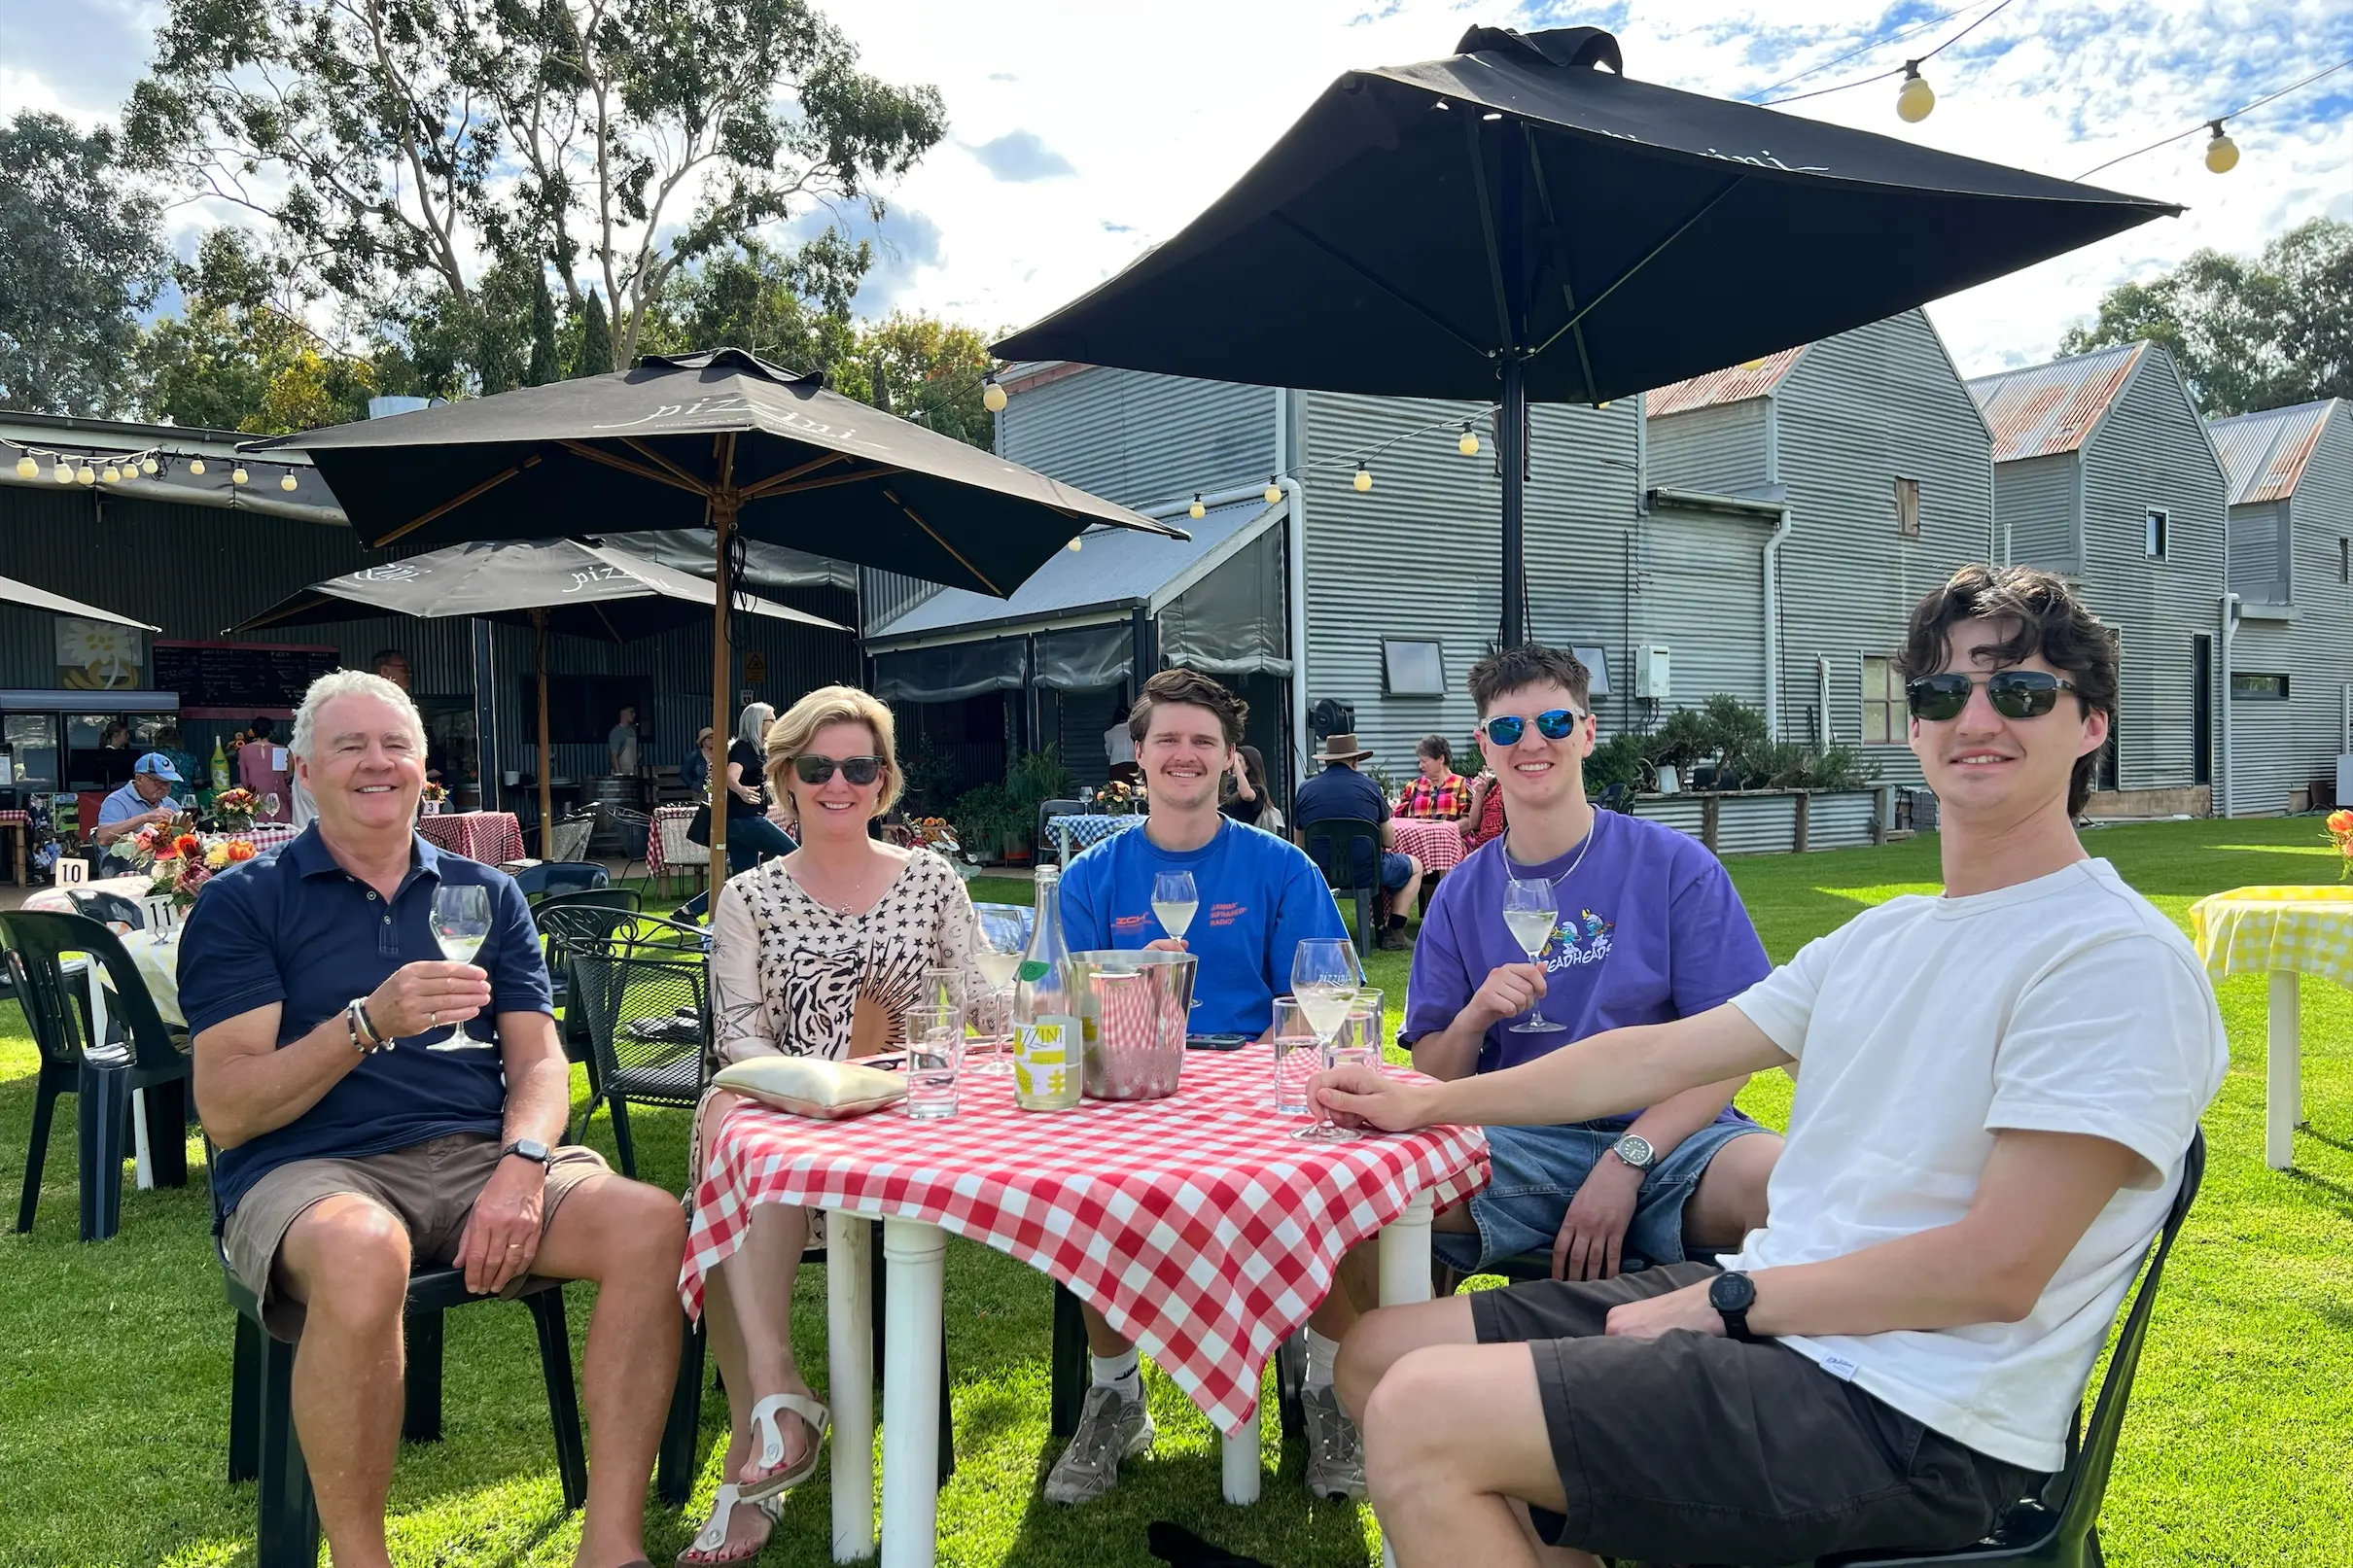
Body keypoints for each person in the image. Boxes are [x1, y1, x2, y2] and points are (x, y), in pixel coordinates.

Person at [1317, 566, 2229, 1568]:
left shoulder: (2108, 955)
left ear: (2089, 722)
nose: (1973, 715)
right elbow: (1654, 1051)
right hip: (1786, 1330)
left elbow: (1997, 1269)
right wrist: (1432, 1099)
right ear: (1913, 727)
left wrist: (1719, 1301)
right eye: (1939, 692)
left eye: (2016, 689)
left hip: (1909, 1411)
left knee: (1419, 1413)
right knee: (1376, 1354)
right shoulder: (1886, 934)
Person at [178, 668, 687, 1568]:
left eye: (395, 745)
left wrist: (523, 1165)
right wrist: (366, 1024)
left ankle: (611, 1546)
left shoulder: (486, 894)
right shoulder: (245, 901)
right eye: (350, 745)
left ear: (423, 767)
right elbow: (227, 1109)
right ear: (303, 768)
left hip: (477, 1152)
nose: (377, 762)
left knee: (651, 1222)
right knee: (362, 1249)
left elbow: (537, 1064)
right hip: (310, 1168)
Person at [685, 685, 994, 1564]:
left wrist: (1065, 992)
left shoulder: (933, 879)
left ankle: (769, 1444)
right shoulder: (748, 896)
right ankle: (775, 1405)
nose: (837, 783)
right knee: (744, 1124)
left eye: (859, 766)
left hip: (908, 1129)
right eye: (817, 767)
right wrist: (805, 1094)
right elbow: (738, 1035)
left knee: (747, 1139)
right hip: (790, 1110)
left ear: (885, 779)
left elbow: (980, 1002)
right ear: (784, 777)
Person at [1051, 667, 1365, 1504]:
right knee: (1085, 1190)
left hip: (1258, 1089)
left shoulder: (1281, 868)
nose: (1183, 755)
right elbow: (1061, 1012)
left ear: (1231, 760)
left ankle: (1330, 1386)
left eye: (1202, 741)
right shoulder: (1091, 878)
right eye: (1167, 740)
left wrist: (1260, 1052)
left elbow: (1319, 998)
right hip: (1129, 1092)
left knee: (1348, 1182)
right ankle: (1117, 1391)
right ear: (1139, 757)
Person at [1402, 645, 1778, 1294]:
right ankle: (1378, 1380)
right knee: (1372, 1201)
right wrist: (1474, 1018)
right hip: (1517, 1143)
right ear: (1484, 748)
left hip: (1673, 1135)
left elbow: (1734, 1047)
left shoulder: (1672, 865)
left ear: (1587, 732)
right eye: (1506, 728)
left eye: (1553, 723)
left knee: (1794, 1184)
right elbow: (1434, 1079)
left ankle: (1758, 1370)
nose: (1531, 743)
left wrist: (1628, 1160)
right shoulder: (1460, 894)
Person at [1293, 733, 1422, 951]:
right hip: (1367, 872)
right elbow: (1389, 840)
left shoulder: (1306, 789)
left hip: (1320, 874)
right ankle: (1395, 932)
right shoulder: (1370, 786)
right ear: (1355, 761)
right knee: (1415, 866)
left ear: (1326, 760)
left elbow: (1300, 843)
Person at [675, 703, 799, 922]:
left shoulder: (756, 748)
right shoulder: (744, 748)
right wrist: (741, 791)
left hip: (738, 822)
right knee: (796, 855)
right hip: (746, 820)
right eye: (771, 719)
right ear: (758, 723)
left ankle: (688, 912)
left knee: (743, 879)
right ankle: (796, 905)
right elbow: (730, 775)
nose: (775, 722)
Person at [92, 751, 187, 870]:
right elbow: (103, 837)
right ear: (139, 778)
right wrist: (145, 817)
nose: (166, 787)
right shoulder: (117, 801)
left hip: (165, 871)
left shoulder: (171, 803)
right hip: (124, 872)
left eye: (169, 782)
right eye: (159, 781)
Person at [369, 650, 442, 783]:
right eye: (403, 668)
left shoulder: (407, 703)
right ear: (385, 670)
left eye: (409, 669)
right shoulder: (369, 702)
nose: (409, 673)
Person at [1395, 735, 1472, 821]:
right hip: (1416, 835)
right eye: (1419, 761)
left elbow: (1468, 821)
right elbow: (1398, 819)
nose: (1420, 766)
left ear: (1441, 759)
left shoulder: (1461, 784)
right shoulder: (1413, 786)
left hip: (1448, 835)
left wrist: (1444, 832)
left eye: (1424, 761)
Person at [1219, 743, 1283, 834]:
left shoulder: (1258, 790)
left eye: (1239, 761)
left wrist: (1237, 765)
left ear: (1250, 765)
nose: (1234, 764)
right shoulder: (1230, 785)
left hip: (1243, 837)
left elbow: (1246, 795)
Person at [238, 716, 294, 820]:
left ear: (254, 731)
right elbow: (286, 776)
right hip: (277, 798)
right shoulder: (280, 750)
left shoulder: (244, 750)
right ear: (270, 732)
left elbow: (244, 779)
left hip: (255, 799)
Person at [93, 721, 136, 790]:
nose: (128, 736)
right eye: (125, 733)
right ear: (116, 735)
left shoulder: (123, 753)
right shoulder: (107, 755)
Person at [609, 705, 642, 777]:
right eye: (631, 712)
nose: (634, 715)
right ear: (623, 713)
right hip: (623, 775)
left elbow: (637, 754)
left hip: (633, 774)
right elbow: (613, 756)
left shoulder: (632, 731)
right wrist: (619, 774)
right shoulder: (616, 732)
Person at [682, 727, 717, 795]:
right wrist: (694, 785)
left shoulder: (719, 755)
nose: (712, 740)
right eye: (709, 738)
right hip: (700, 792)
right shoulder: (694, 756)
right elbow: (684, 773)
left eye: (713, 737)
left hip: (717, 791)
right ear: (702, 741)